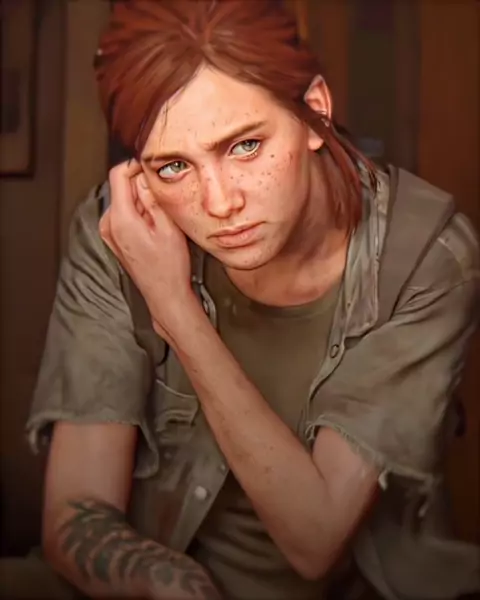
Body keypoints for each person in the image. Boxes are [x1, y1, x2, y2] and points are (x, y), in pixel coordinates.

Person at [1, 1, 479, 599]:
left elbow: (316, 539)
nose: (220, 202)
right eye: (174, 167)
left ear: (314, 112)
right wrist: (173, 586)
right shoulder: (119, 232)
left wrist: (175, 309)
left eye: (246, 146)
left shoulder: (426, 255)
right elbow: (78, 511)